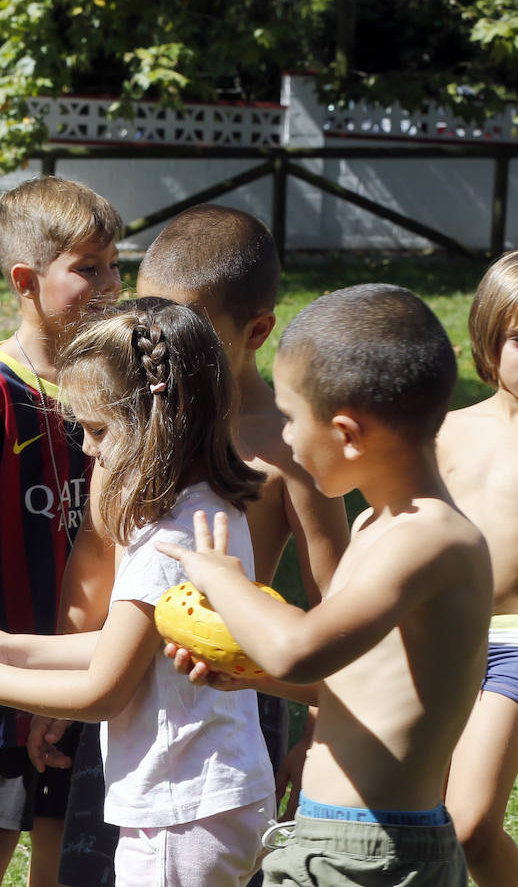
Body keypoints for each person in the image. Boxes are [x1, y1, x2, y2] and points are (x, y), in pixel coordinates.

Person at [41, 205, 351, 887]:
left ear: (257, 330)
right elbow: (98, 556)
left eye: (192, 329)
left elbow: (337, 608)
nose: (165, 346)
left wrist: (318, 735)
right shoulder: (132, 425)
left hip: (223, 700)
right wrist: (65, 682)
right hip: (125, 692)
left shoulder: (288, 446)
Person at [0, 298, 277, 887]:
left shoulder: (170, 540)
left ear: (156, 423)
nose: (87, 450)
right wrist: (1, 644)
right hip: (214, 798)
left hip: (180, 813)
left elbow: (103, 693)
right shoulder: (208, 508)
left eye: (96, 430)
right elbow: (122, 646)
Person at [160, 283, 491, 887]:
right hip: (343, 838)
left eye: (290, 418)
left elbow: (298, 646)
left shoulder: (431, 539)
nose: (285, 437)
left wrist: (222, 577)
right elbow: (350, 685)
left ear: (346, 433)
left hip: (375, 850)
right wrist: (250, 677)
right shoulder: (377, 524)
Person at [0, 176, 121, 887]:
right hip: (1, 665)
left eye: (113, 264)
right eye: (87, 267)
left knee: (63, 825)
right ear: (25, 279)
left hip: (79, 658)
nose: (110, 282)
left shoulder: (104, 388)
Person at [438, 251, 518, 885]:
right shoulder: (445, 433)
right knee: (420, 812)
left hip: (514, 645)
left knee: (470, 824)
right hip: (442, 638)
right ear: (490, 342)